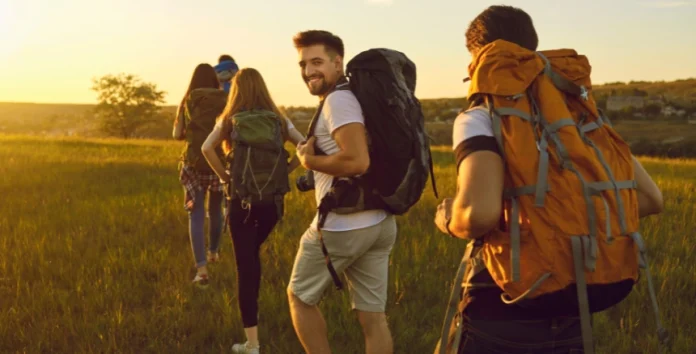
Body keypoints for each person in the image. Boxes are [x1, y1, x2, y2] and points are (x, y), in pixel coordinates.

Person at [433, 5, 666, 354]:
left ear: (480, 58)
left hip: (502, 304)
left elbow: (478, 215)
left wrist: (448, 217)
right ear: (531, 47)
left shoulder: (480, 116)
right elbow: (651, 199)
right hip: (577, 307)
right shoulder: (580, 119)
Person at [287, 30, 398, 354]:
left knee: (299, 298)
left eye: (317, 62)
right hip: (378, 221)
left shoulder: (338, 100)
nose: (309, 71)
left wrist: (309, 160)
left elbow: (357, 160)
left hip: (342, 225)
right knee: (373, 317)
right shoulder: (356, 97)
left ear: (338, 63)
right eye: (303, 64)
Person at [201, 67, 305, 354]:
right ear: (263, 88)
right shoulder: (278, 120)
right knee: (251, 257)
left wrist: (225, 178)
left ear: (236, 91)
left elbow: (206, 149)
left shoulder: (229, 120)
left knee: (246, 269)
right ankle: (254, 340)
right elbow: (306, 147)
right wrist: (286, 170)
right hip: (272, 204)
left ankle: (252, 344)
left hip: (241, 203)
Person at [173, 63, 228, 288]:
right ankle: (214, 252)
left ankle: (202, 270)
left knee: (195, 215)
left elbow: (177, 134)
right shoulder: (225, 100)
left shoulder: (187, 101)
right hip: (218, 163)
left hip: (194, 163)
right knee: (215, 210)